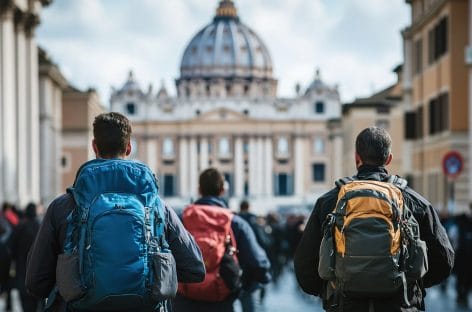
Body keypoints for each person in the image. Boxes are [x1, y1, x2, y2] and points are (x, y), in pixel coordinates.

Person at [25, 112, 205, 312]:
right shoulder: (158, 207)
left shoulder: (62, 207)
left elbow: (35, 282)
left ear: (94, 146)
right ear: (129, 148)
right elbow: (195, 269)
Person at [294, 127, 454, 312]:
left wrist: (330, 291)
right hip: (400, 304)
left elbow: (304, 265)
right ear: (389, 159)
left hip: (345, 305)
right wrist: (411, 285)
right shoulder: (414, 201)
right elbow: (445, 260)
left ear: (356, 158)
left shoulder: (329, 201)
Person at [174, 168, 271, 312]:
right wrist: (248, 284)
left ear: (199, 190)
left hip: (184, 299)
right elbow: (258, 263)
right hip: (222, 299)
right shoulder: (235, 222)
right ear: (222, 191)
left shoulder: (180, 219)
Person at [9, 202, 41, 312]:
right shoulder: (40, 226)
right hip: (38, 276)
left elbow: (10, 248)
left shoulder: (20, 226)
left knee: (26, 306)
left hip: (22, 274)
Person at [453, 202, 472, 309]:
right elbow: (454, 236)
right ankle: (460, 295)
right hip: (462, 256)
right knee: (460, 278)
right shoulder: (461, 221)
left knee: (469, 280)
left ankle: (464, 295)